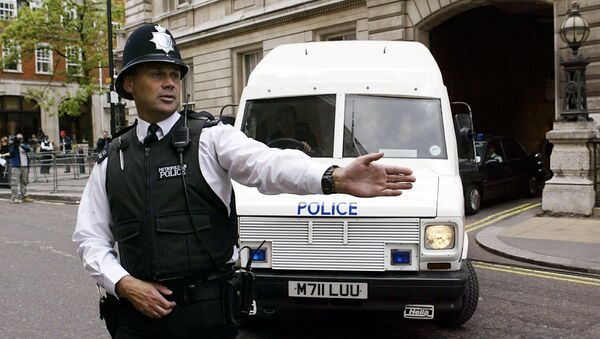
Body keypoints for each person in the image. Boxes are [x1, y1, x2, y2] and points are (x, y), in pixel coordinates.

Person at [72, 24, 415, 339]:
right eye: (158, 73)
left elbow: (269, 164)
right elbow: (90, 238)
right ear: (129, 83)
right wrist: (123, 283)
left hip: (205, 314)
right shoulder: (111, 158)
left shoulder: (211, 138)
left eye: (175, 75)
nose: (170, 83)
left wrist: (332, 177)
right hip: (136, 318)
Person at [7, 133, 32, 203]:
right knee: (14, 182)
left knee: (24, 182)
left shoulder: (24, 145)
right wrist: (14, 145)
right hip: (16, 166)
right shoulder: (12, 145)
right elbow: (11, 154)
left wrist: (20, 144)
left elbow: (28, 149)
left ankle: (24, 196)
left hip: (25, 165)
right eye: (18, 138)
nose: (19, 139)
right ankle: (14, 197)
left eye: (20, 138)